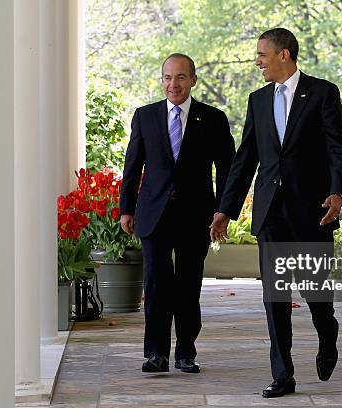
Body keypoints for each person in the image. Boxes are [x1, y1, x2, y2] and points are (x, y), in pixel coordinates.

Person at [210, 28, 342, 398]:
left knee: (316, 293)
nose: (258, 61)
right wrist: (226, 209)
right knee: (275, 296)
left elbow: (339, 148)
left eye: (262, 54)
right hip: (271, 212)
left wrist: (338, 192)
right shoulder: (257, 100)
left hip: (313, 210)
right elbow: (246, 158)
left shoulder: (322, 92)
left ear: (284, 54)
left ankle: (327, 330)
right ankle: (282, 374)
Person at [119, 53, 235, 374]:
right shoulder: (145, 116)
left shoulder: (212, 118)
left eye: (181, 77)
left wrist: (223, 211)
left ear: (193, 80)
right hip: (153, 215)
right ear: (162, 81)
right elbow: (132, 167)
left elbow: (227, 169)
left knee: (187, 286)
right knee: (156, 284)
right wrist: (126, 208)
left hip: (196, 216)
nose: (174, 84)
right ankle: (155, 353)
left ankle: (185, 352)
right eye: (168, 78)